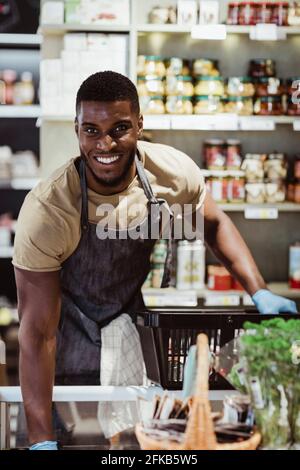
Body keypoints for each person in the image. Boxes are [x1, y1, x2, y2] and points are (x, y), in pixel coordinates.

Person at [13, 71, 297, 451]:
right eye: (92, 130)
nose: (105, 143)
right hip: (60, 354)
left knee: (136, 449)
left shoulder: (170, 176)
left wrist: (258, 291)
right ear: (77, 129)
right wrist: (40, 438)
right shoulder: (50, 209)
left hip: (131, 340)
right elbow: (37, 333)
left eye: (120, 128)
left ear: (140, 125)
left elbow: (213, 224)